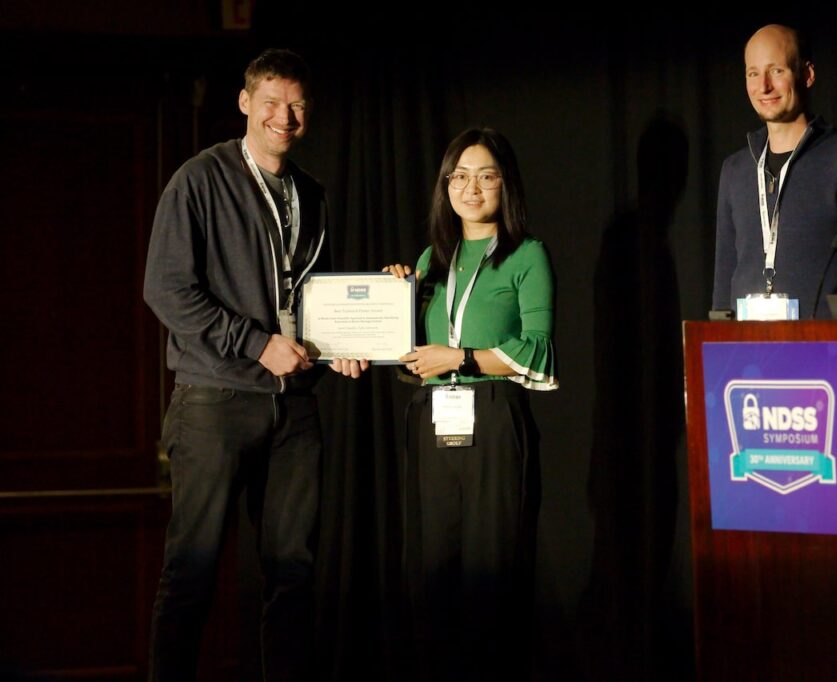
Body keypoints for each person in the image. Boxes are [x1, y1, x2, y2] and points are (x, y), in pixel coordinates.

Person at [143, 48, 365, 681]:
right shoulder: (199, 180)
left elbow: (308, 297)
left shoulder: (312, 195)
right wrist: (254, 342)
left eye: (295, 105)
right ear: (245, 103)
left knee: (293, 575)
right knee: (192, 572)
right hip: (215, 399)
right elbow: (165, 288)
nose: (283, 116)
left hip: (293, 407)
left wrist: (338, 343)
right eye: (270, 102)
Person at [385, 127, 557, 681]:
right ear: (446, 186)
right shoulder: (432, 261)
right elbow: (409, 354)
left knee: (493, 576)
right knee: (430, 578)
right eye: (460, 176)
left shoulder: (527, 255)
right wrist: (394, 299)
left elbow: (537, 352)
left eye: (486, 176)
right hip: (430, 425)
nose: (472, 188)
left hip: (495, 421)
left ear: (506, 185)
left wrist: (457, 357)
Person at [712, 23, 837, 318]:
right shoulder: (735, 170)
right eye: (753, 73)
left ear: (807, 74)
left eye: (777, 71)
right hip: (748, 357)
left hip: (828, 354)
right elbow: (724, 281)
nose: (764, 87)